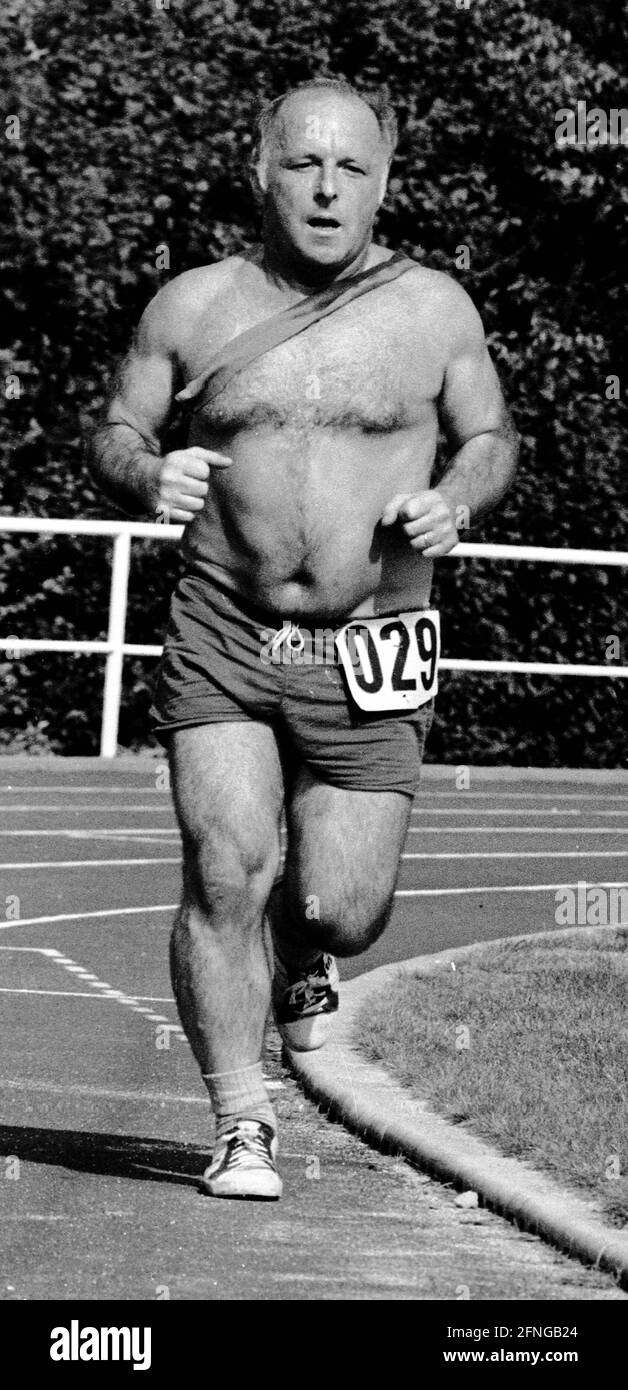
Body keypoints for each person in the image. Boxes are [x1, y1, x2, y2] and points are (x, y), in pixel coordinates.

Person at [89, 77, 519, 1200]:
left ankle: (305, 953)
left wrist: (456, 499)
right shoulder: (193, 306)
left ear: (383, 181)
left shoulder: (434, 310)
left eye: (351, 168)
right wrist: (148, 472)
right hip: (224, 626)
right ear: (261, 169)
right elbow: (119, 427)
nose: (327, 189)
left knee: (344, 908)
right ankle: (242, 1120)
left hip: (372, 640)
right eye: (303, 163)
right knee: (225, 863)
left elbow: (489, 436)